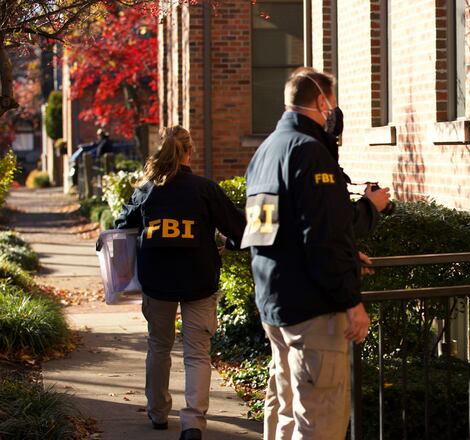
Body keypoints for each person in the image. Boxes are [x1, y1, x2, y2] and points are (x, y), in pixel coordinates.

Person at [244, 67, 372, 440]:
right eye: (331, 102)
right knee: (319, 421)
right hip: (312, 311)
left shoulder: (266, 151)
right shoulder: (310, 153)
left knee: (285, 412)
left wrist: (350, 256)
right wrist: (352, 301)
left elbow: (270, 231)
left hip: (275, 304)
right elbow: (324, 237)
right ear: (321, 101)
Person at [115, 126, 246, 440]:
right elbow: (240, 229)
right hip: (199, 280)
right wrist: (228, 244)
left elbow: (121, 225)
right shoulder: (205, 189)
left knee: (158, 347)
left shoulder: (146, 190)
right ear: (190, 151)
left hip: (156, 281)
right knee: (197, 353)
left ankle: (158, 413)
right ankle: (193, 424)